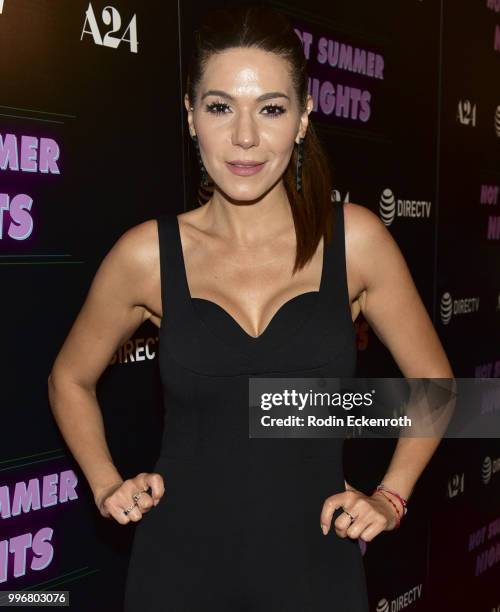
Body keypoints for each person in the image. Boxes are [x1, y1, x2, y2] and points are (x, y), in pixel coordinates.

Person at [47, 4, 454, 611]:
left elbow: (437, 386)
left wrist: (389, 498)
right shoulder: (148, 255)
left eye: (270, 108)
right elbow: (68, 378)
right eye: (219, 107)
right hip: (175, 573)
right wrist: (107, 483)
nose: (244, 137)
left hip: (317, 569)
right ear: (190, 117)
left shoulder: (357, 240)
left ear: (303, 118)